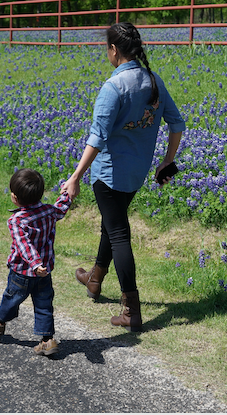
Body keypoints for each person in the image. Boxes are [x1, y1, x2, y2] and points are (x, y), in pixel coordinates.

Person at [60, 22, 185, 332]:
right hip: (137, 172)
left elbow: (97, 138)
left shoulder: (113, 87)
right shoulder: (153, 80)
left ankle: (131, 309)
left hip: (108, 174)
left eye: (107, 48)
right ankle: (94, 279)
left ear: (113, 50)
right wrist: (166, 163)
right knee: (111, 224)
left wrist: (75, 176)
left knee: (118, 234)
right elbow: (177, 125)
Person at [0, 168, 73, 356]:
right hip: (44, 272)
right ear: (41, 193)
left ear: (14, 198)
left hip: (22, 272)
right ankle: (47, 341)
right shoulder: (49, 211)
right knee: (44, 304)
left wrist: (34, 263)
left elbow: (24, 245)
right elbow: (62, 207)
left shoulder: (17, 220)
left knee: (12, 298)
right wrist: (67, 193)